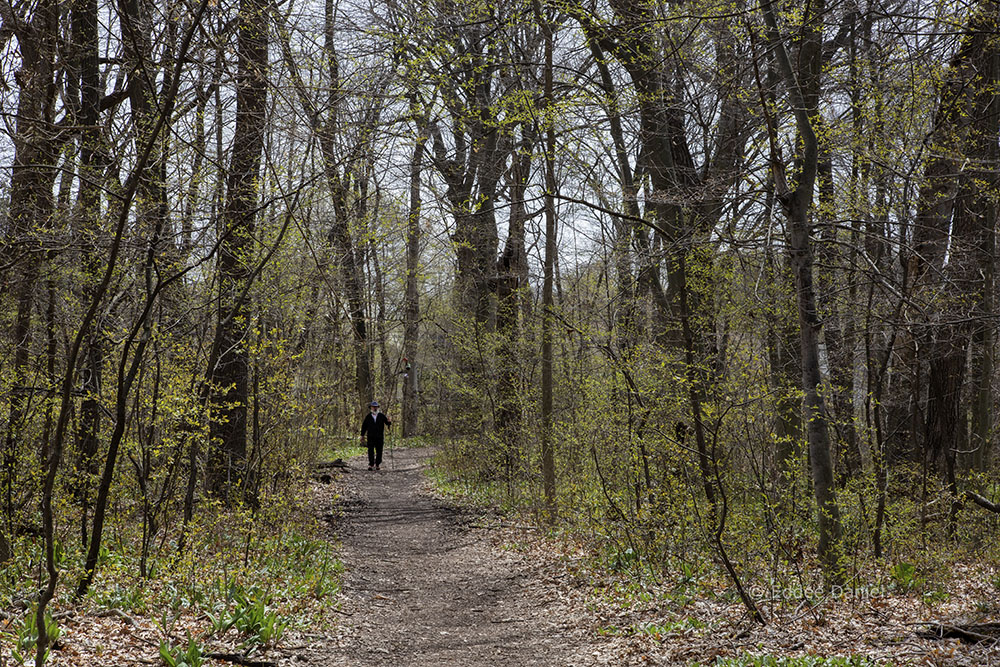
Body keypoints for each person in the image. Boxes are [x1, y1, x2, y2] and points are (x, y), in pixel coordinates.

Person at [360, 401, 391, 470]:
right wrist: (362, 435)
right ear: (371, 408)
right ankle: (371, 464)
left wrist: (389, 421)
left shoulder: (381, 415)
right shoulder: (368, 417)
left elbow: (387, 423)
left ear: (378, 408)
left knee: (379, 451)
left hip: (379, 437)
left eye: (376, 407)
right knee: (370, 450)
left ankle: (377, 464)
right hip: (370, 436)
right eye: (373, 407)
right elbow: (364, 426)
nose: (375, 408)